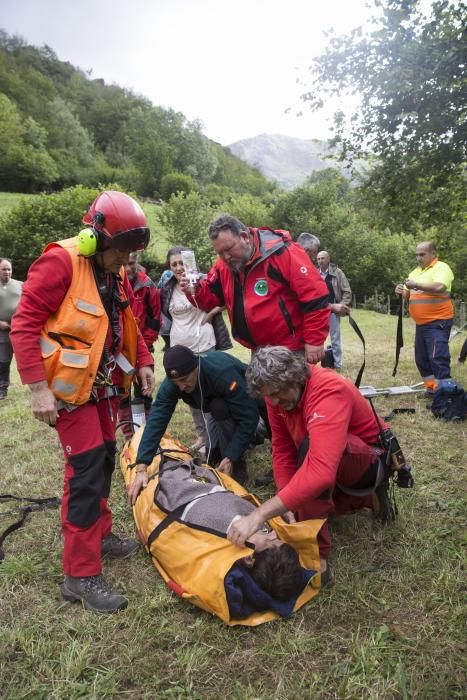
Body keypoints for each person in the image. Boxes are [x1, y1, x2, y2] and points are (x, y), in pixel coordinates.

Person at [10, 190, 156, 614]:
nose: (127, 262)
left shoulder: (115, 268)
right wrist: (38, 389)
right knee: (87, 471)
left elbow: (125, 317)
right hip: (70, 390)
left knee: (105, 458)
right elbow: (24, 324)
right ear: (95, 238)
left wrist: (143, 359)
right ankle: (79, 574)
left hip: (104, 385)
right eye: (121, 252)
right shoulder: (60, 262)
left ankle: (101, 535)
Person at [227, 346, 398, 579]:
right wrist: (286, 499)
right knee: (299, 495)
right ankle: (366, 498)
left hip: (369, 462)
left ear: (295, 377)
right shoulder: (274, 396)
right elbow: (282, 449)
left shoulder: (328, 389)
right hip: (327, 456)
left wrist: (260, 514)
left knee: (311, 466)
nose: (275, 402)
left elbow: (320, 473)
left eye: (278, 393)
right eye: (270, 396)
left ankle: (318, 554)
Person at [147, 459, 304, 604]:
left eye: (271, 540)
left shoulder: (209, 529)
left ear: (249, 558)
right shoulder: (257, 528)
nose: (273, 533)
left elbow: (173, 487)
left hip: (184, 481)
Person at [180, 215, 330, 365]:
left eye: (229, 249)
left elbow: (316, 298)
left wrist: (314, 341)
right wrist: (193, 290)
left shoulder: (282, 252)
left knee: (293, 388)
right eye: (219, 252)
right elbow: (210, 298)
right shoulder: (225, 264)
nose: (225, 257)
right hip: (258, 350)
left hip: (291, 350)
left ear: (245, 237)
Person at [129, 345, 268, 496]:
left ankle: (245, 451)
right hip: (216, 403)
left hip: (252, 397)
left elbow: (249, 416)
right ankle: (225, 450)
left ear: (196, 367)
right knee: (216, 413)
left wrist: (231, 456)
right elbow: (157, 420)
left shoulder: (222, 374)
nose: (181, 387)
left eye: (184, 379)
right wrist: (141, 465)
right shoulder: (173, 384)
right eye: (176, 382)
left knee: (225, 411)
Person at [161, 246, 232, 451]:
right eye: (173, 264)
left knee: (209, 392)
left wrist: (210, 315)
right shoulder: (167, 288)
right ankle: (201, 436)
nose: (177, 268)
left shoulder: (202, 281)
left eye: (181, 263)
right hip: (179, 346)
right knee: (190, 393)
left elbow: (225, 298)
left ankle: (215, 437)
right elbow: (163, 313)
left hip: (204, 343)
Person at [395, 241, 455, 393]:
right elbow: (410, 295)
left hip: (438, 322)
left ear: (433, 254)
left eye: (422, 254)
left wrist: (415, 285)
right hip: (421, 324)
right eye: (417, 255)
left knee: (438, 358)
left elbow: (440, 287)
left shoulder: (441, 267)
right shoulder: (415, 272)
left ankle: (447, 395)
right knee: (421, 360)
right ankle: (433, 390)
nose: (418, 258)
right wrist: (401, 292)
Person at [118, 251, 161, 438]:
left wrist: (144, 344)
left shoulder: (148, 285)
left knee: (145, 391)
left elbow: (155, 319)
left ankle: (147, 433)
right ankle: (129, 435)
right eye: (125, 264)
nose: (128, 268)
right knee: (122, 395)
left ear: (138, 262)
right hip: (121, 352)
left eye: (132, 263)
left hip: (143, 348)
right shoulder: (114, 281)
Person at [316, 251, 352, 370]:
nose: (320, 261)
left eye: (323, 258)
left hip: (333, 310)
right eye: (318, 259)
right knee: (317, 338)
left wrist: (342, 306)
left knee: (335, 338)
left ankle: (337, 364)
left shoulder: (337, 272)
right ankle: (316, 364)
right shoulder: (314, 273)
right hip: (319, 310)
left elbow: (347, 290)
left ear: (328, 259)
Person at [0, 258, 22, 400]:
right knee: (3, 361)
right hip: (3, 331)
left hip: (20, 329)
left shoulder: (21, 285)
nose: (7, 272)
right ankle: (2, 389)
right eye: (4, 269)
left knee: (31, 357)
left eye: (9, 269)